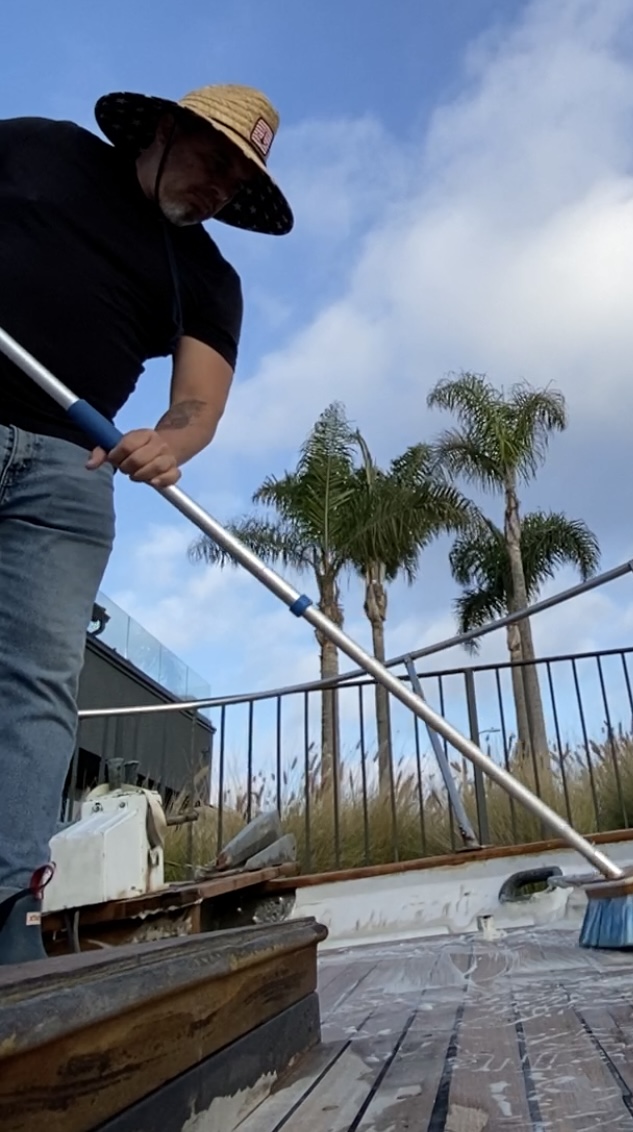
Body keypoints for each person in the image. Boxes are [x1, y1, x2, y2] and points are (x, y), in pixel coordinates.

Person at [0, 83, 293, 963]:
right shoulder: (38, 148)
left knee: (34, 689)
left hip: (68, 475)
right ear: (165, 131)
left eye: (237, 183)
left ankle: (7, 913)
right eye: (212, 162)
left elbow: (194, 406)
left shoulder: (208, 277)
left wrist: (168, 444)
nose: (217, 190)